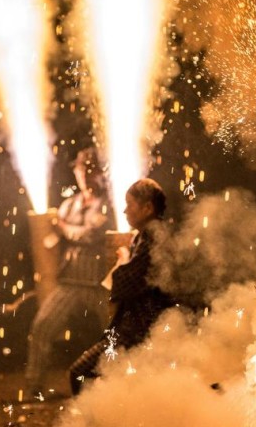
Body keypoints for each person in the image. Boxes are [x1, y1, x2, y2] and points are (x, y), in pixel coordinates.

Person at [68, 178, 173, 395]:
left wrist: (123, 262)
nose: (125, 211)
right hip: (138, 326)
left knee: (79, 372)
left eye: (130, 204)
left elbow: (128, 283)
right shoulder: (147, 234)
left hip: (139, 329)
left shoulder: (153, 235)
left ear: (147, 208)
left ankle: (89, 424)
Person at [22, 148, 112, 397]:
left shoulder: (107, 205)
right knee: (42, 327)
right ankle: (34, 386)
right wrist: (47, 230)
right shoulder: (69, 204)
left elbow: (90, 235)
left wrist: (61, 228)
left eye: (90, 170)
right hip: (70, 282)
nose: (85, 175)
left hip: (98, 285)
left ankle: (122, 384)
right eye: (81, 170)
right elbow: (52, 239)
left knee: (116, 334)